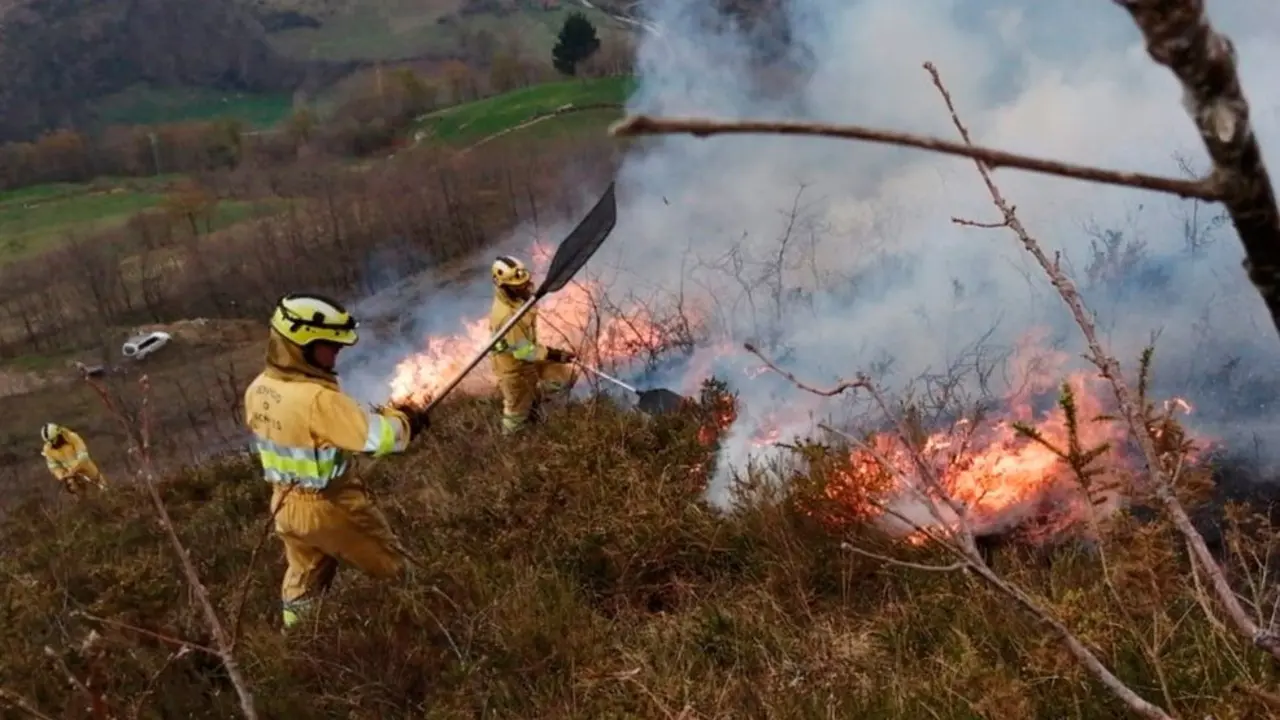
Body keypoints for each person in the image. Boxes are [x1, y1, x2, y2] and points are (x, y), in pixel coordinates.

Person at [243, 293, 431, 630]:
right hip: (330, 508)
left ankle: (297, 643)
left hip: (284, 507)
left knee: (303, 582)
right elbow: (380, 439)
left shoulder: (259, 388)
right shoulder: (317, 399)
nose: (337, 352)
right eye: (329, 345)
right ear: (301, 346)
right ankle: (430, 624)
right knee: (396, 569)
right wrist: (405, 420)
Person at [489, 255, 578, 434]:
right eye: (518, 286)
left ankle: (538, 407)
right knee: (516, 416)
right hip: (514, 370)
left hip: (529, 360)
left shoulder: (515, 299)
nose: (525, 287)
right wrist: (555, 354)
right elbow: (523, 351)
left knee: (564, 377)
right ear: (504, 287)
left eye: (525, 282)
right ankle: (509, 444)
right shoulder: (507, 316)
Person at [40, 423, 107, 495]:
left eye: (53, 440)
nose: (53, 444)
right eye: (50, 442)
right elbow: (53, 466)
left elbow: (83, 455)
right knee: (80, 495)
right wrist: (62, 475)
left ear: (58, 434)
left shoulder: (72, 437)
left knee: (102, 488)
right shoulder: (48, 449)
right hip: (71, 476)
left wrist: (74, 469)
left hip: (87, 469)